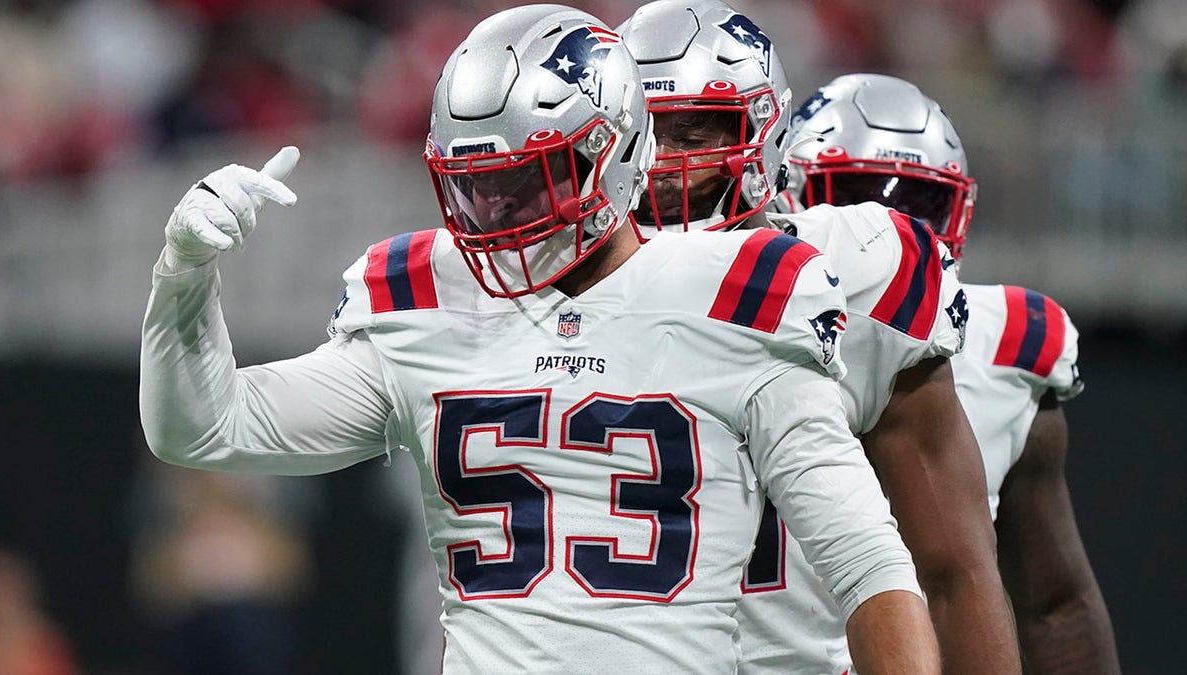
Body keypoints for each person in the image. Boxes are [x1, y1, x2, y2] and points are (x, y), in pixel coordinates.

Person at [139, 5, 940, 673]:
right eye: (474, 185)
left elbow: (869, 568)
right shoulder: (428, 300)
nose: (496, 211)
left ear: (619, 149)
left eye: (528, 177)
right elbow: (203, 427)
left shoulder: (735, 291)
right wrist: (183, 273)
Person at [618, 2, 1020, 673]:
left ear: (763, 135)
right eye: (648, 135)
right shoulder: (538, 287)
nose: (664, 165)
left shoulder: (854, 274)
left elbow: (954, 569)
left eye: (694, 132)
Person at [788, 72, 1122, 673]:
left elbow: (1055, 606)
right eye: (856, 198)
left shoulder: (1008, 351)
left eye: (917, 208)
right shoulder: (730, 318)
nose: (885, 236)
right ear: (791, 200)